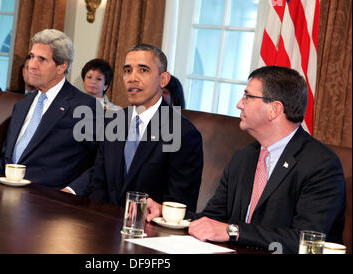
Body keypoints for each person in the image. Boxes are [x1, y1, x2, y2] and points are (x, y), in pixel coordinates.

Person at [146, 66, 346, 253]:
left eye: (248, 97)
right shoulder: (244, 157)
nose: (239, 104)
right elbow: (213, 220)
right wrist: (168, 214)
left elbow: (306, 240)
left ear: (274, 109)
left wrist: (234, 231)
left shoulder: (321, 165)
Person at [81, 44, 203, 212]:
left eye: (143, 70)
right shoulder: (112, 123)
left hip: (149, 234)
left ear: (163, 79)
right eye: (127, 71)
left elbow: (179, 206)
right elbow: (98, 186)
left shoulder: (183, 133)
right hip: (103, 225)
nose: (132, 78)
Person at [0, 29, 100, 191]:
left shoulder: (83, 106)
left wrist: (72, 190)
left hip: (52, 200)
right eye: (31, 57)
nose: (32, 65)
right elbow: (9, 162)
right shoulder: (22, 106)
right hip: (7, 192)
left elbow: (100, 162)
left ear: (61, 67)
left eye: (42, 59)